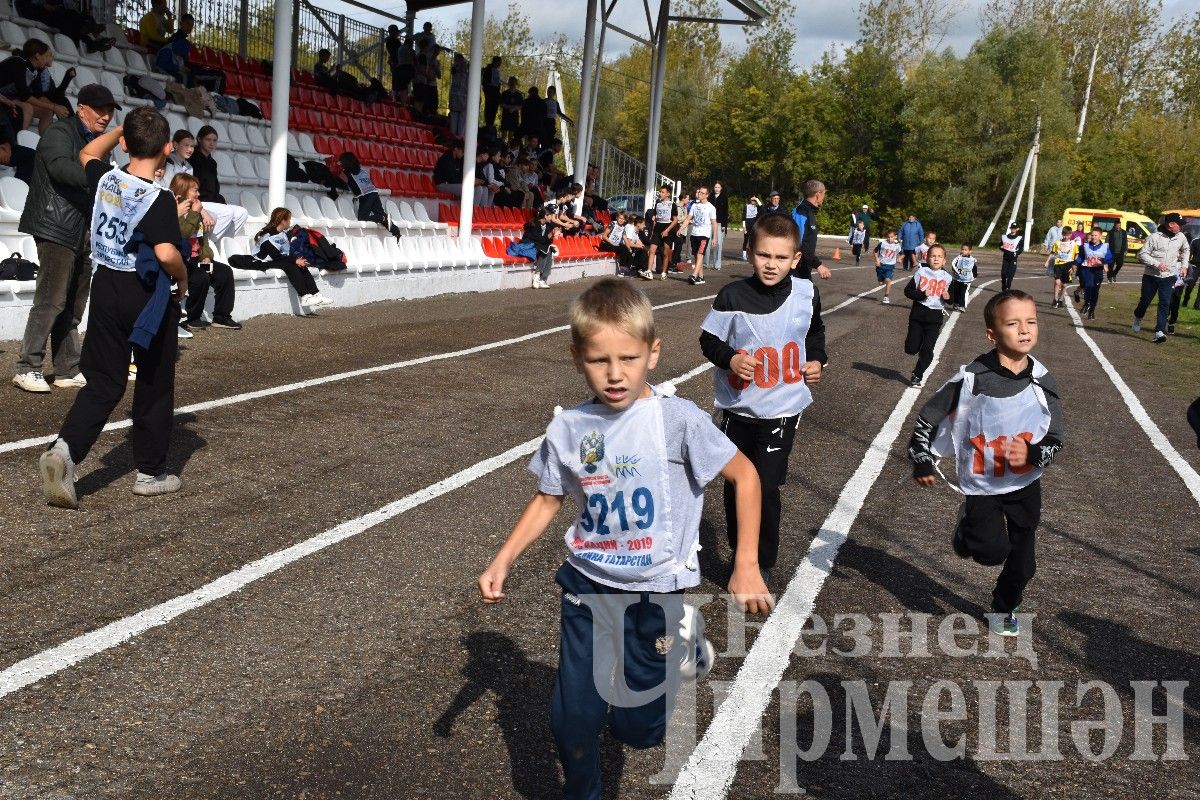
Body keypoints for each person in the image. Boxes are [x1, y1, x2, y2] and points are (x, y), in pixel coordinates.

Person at [477, 278, 772, 800]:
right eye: (599, 361)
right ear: (577, 358)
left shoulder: (678, 420)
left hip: (658, 591)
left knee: (639, 730)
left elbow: (746, 476)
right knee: (572, 720)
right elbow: (549, 498)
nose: (615, 375)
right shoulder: (570, 428)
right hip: (588, 584)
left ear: (653, 354)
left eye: (629, 359)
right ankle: (583, 792)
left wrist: (745, 563)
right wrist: (504, 557)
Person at [38, 106, 189, 508]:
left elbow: (87, 153)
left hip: (105, 284)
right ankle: (150, 472)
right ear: (168, 148)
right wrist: (184, 279)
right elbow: (166, 253)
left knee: (104, 380)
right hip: (145, 290)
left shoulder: (106, 178)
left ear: (124, 143)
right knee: (154, 380)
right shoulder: (158, 199)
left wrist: (122, 129)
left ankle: (66, 451)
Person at [908, 289, 1065, 637]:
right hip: (982, 484)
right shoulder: (971, 378)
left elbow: (1056, 436)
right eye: (1013, 323)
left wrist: (1035, 454)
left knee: (1025, 565)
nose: (1025, 330)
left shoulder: (1042, 378)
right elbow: (928, 418)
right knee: (992, 553)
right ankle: (968, 529)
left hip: (1025, 484)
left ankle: (1003, 606)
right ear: (992, 335)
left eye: (1031, 321)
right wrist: (921, 459)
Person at [699, 212, 826, 584]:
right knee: (738, 482)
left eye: (781, 258)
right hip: (739, 409)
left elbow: (815, 331)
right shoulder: (732, 296)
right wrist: (731, 358)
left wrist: (817, 359)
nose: (772, 265)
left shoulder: (806, 293)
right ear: (750, 252)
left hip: (783, 408)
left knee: (766, 485)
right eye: (764, 255)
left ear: (796, 259)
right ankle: (742, 556)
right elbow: (709, 340)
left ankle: (761, 561)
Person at [13, 84, 118, 395]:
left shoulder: (97, 142)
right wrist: (102, 177)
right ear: (81, 108)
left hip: (81, 228)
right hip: (54, 226)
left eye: (110, 110)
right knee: (51, 299)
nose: (106, 115)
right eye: (100, 109)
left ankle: (66, 368)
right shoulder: (60, 133)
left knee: (73, 303)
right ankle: (28, 367)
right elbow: (61, 170)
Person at [171, 173, 239, 331]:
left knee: (224, 273)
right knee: (200, 277)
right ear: (183, 190)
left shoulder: (197, 211)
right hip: (180, 262)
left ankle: (221, 316)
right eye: (194, 190)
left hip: (197, 261)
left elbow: (202, 239)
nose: (198, 194)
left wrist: (207, 256)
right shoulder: (175, 210)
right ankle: (192, 318)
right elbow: (183, 234)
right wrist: (196, 213)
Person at [229, 208, 333, 310]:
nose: (290, 222)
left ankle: (316, 294)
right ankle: (305, 297)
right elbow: (276, 256)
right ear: (283, 221)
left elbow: (284, 254)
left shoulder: (281, 234)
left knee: (300, 264)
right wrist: (295, 261)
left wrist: (297, 260)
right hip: (262, 261)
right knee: (291, 265)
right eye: (289, 219)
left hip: (274, 260)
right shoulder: (267, 235)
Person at [181, 126, 247, 247]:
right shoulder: (192, 159)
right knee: (227, 212)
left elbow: (214, 187)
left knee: (242, 212)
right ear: (199, 140)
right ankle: (207, 247)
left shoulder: (212, 162)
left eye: (214, 140)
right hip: (199, 201)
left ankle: (221, 246)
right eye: (208, 139)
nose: (211, 143)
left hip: (212, 200)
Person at [1132, 212, 1190, 343]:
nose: (1181, 227)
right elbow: (1142, 254)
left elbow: (1186, 250)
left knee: (1165, 303)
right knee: (1145, 301)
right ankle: (1138, 316)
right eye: (1179, 224)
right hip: (1151, 276)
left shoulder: (1181, 237)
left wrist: (1184, 266)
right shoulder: (1154, 237)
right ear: (1171, 224)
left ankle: (1159, 331)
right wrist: (1157, 264)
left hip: (1169, 277)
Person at [903, 242, 951, 388]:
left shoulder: (948, 278)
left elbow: (955, 297)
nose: (936, 259)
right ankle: (914, 347)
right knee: (911, 349)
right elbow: (908, 291)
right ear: (927, 258)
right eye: (933, 256)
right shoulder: (921, 273)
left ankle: (917, 374)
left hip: (935, 318)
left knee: (928, 349)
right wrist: (922, 294)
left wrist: (949, 297)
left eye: (939, 257)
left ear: (944, 260)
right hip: (918, 315)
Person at [0, 39, 70, 135]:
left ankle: (44, 145)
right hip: (2, 95)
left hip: (11, 97)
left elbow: (38, 95)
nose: (47, 60)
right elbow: (25, 96)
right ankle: (19, 143)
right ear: (37, 56)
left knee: (47, 111)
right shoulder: (18, 63)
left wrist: (55, 107)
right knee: (28, 107)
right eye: (46, 56)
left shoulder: (36, 71)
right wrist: (54, 107)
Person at [337, 152, 402, 240]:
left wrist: (337, 168)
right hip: (373, 192)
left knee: (362, 217)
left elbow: (342, 180)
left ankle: (382, 217)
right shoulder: (360, 170)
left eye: (341, 161)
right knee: (380, 213)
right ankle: (396, 232)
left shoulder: (347, 172)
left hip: (366, 195)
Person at [791, 179, 832, 281]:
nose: (824, 197)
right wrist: (818, 265)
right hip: (796, 269)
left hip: (804, 267)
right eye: (824, 194)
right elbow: (798, 243)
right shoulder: (801, 212)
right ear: (818, 194)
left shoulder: (809, 211)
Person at [1073, 227, 1112, 321]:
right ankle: (1087, 303)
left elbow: (1110, 258)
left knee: (1095, 291)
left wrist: (1103, 260)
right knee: (1088, 286)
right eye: (1092, 235)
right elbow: (1081, 257)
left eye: (1096, 235)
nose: (1094, 237)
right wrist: (1074, 264)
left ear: (1100, 236)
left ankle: (1091, 311)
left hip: (1097, 271)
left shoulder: (1105, 246)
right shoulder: (1085, 246)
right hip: (1086, 270)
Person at [640, 185, 676, 281]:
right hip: (657, 230)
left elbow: (675, 220)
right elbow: (655, 218)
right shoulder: (658, 204)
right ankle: (649, 271)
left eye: (663, 192)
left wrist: (667, 230)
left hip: (667, 230)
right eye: (660, 192)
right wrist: (653, 229)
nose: (661, 193)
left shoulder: (672, 205)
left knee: (665, 253)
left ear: (668, 194)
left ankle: (664, 272)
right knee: (652, 250)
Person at [687, 186, 718, 286]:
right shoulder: (694, 205)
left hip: (704, 235)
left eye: (702, 193)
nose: (699, 194)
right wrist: (681, 228)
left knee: (700, 254)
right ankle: (701, 277)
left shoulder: (711, 207)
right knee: (696, 255)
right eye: (699, 192)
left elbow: (714, 223)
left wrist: (715, 237)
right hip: (694, 233)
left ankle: (694, 275)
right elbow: (688, 218)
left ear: (707, 195)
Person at [521, 207, 556, 289]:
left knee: (548, 251)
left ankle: (542, 279)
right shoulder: (534, 224)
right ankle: (537, 276)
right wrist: (549, 236)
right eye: (551, 216)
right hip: (528, 245)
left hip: (538, 246)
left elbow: (546, 241)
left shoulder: (548, 226)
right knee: (545, 250)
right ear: (545, 216)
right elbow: (538, 239)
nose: (552, 218)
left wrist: (550, 237)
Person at [1047, 229, 1078, 309]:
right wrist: (1047, 261)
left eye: (1067, 235)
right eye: (1064, 234)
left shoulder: (1073, 244)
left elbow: (1076, 255)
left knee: (1064, 284)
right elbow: (1052, 252)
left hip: (1068, 265)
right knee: (1057, 282)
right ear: (1062, 234)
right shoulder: (1057, 243)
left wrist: (1074, 265)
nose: (1066, 236)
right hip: (1058, 264)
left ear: (1070, 235)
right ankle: (1055, 299)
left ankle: (1060, 300)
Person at [873, 229, 901, 304]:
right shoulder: (882, 243)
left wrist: (900, 258)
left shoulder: (897, 246)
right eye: (888, 237)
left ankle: (886, 296)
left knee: (888, 280)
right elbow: (875, 251)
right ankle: (881, 280)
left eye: (892, 237)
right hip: (880, 265)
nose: (890, 238)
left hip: (890, 266)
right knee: (881, 283)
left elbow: (902, 253)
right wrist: (877, 260)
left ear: (895, 237)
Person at [949, 243, 976, 311]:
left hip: (965, 280)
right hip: (957, 278)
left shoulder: (972, 260)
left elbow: (974, 268)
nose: (963, 251)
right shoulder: (958, 258)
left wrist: (974, 275)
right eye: (962, 249)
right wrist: (955, 271)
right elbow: (953, 265)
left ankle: (962, 306)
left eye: (965, 250)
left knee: (962, 292)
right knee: (956, 292)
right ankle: (955, 303)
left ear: (970, 251)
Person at [999, 221, 1023, 292]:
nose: (1013, 229)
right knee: (1003, 273)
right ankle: (1004, 285)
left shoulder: (1019, 238)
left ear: (1017, 229)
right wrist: (1003, 248)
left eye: (1014, 228)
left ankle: (1008, 288)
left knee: (1010, 274)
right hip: (1006, 257)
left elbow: (1021, 248)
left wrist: (1017, 253)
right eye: (1012, 228)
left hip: (1013, 258)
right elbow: (1000, 245)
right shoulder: (1005, 237)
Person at [710, 180, 728, 271]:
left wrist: (724, 225)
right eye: (715, 187)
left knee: (718, 244)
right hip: (710, 223)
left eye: (718, 187)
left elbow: (725, 212)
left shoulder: (724, 197)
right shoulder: (710, 196)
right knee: (709, 244)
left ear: (721, 188)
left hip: (720, 223)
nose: (717, 189)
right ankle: (708, 263)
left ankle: (717, 264)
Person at [481, 55, 502, 129]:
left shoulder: (496, 71)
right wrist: (488, 91)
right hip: (490, 93)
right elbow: (485, 83)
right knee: (489, 109)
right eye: (499, 62)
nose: (500, 64)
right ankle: (488, 125)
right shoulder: (488, 69)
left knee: (493, 110)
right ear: (495, 62)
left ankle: (490, 124)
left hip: (495, 94)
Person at [741, 195, 759, 261]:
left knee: (753, 241)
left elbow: (762, 207)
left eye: (754, 200)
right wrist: (744, 227)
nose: (753, 201)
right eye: (752, 200)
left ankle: (751, 255)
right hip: (747, 226)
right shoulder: (746, 207)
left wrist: (757, 199)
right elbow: (743, 218)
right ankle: (744, 255)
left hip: (754, 226)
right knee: (746, 240)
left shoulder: (757, 207)